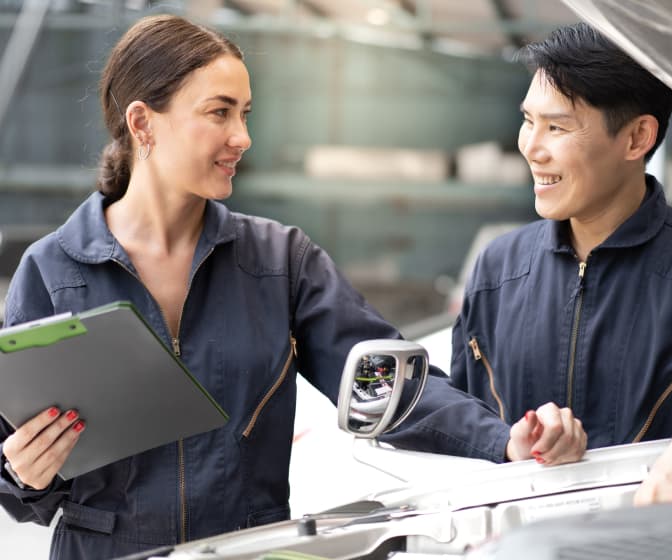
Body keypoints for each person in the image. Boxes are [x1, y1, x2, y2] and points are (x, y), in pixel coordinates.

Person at [0, 15, 588, 560]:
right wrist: (23, 473)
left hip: (248, 549)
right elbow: (12, 463)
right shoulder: (53, 269)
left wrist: (502, 439)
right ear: (142, 123)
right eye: (219, 112)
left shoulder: (280, 261)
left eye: (245, 114)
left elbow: (381, 382)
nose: (242, 137)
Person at [449, 21, 672, 505]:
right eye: (528, 120)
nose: (531, 148)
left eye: (556, 127)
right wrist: (508, 443)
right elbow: (465, 415)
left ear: (638, 137)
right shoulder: (498, 269)